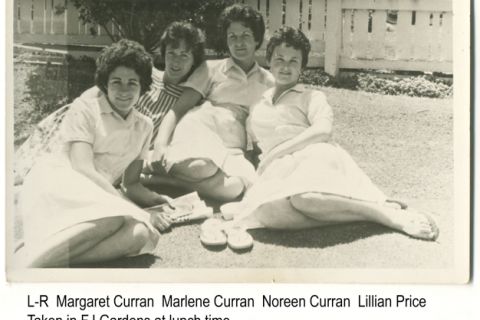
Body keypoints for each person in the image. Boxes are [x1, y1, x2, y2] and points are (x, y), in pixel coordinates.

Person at [201, 27, 439, 250]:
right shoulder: (257, 104)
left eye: (293, 61)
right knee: (267, 214)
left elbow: (322, 132)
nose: (285, 66)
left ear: (302, 66)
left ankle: (387, 217)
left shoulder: (311, 97)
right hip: (279, 171)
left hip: (314, 156)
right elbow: (255, 150)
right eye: (279, 59)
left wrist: (276, 153)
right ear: (269, 62)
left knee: (306, 198)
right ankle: (364, 213)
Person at [16, 39, 174, 267]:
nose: (124, 91)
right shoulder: (85, 109)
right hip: (60, 186)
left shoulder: (145, 126)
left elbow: (131, 184)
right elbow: (83, 169)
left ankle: (46, 260)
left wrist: (157, 200)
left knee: (140, 234)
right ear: (104, 84)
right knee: (113, 218)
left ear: (143, 87)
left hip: (98, 198)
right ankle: (30, 266)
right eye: (116, 82)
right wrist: (131, 208)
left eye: (132, 83)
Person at [13, 21, 205, 186]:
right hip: (93, 129)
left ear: (194, 60)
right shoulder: (146, 74)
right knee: (32, 171)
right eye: (171, 53)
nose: (176, 61)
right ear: (163, 54)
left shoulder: (188, 96)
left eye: (184, 55)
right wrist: (77, 112)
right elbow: (96, 93)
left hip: (124, 150)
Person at [150, 4, 274, 201]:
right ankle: (152, 164)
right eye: (232, 36)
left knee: (234, 188)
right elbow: (177, 109)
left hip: (233, 146)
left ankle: (164, 181)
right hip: (200, 128)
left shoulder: (268, 83)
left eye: (246, 35)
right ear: (226, 40)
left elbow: (267, 129)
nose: (239, 42)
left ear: (257, 39)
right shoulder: (211, 69)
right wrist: (160, 145)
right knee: (202, 168)